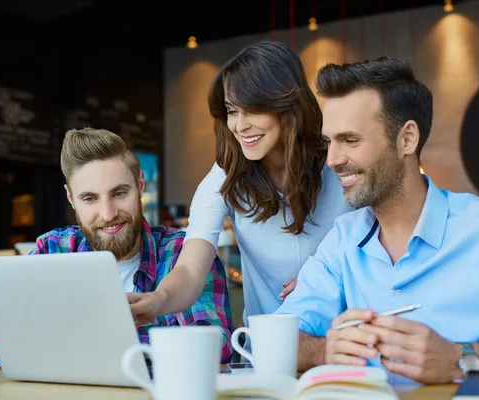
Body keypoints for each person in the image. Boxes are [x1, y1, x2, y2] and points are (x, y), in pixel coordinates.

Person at [275, 57, 479, 384]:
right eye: (329, 142)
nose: (333, 160)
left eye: (350, 140)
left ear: (407, 138)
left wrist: (463, 357)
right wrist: (325, 350)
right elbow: (280, 338)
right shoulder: (342, 241)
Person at [127, 40, 353, 327]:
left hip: (345, 342)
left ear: (287, 105)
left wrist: (327, 276)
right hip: (266, 347)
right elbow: (190, 269)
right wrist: (158, 299)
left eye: (253, 109)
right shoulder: (225, 178)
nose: (240, 125)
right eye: (232, 111)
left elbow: (385, 247)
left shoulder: (338, 165)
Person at [0, 128, 233, 367]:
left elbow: (214, 345)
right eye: (89, 199)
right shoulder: (54, 250)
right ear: (71, 199)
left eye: (120, 193)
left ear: (140, 186)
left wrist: (67, 347)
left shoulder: (182, 254)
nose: (108, 214)